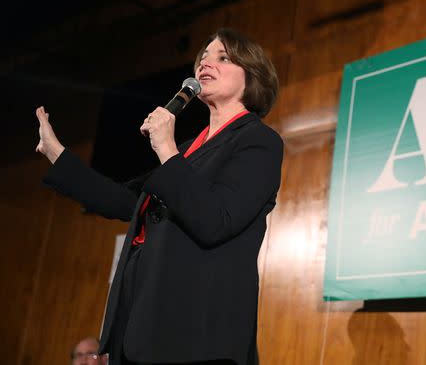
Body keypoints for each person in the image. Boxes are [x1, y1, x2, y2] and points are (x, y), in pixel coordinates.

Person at [37, 28, 283, 365]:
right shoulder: (187, 150)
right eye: (204, 57)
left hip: (196, 339)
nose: (206, 63)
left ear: (252, 78)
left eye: (223, 57)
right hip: (143, 327)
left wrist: (166, 148)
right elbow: (126, 203)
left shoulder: (259, 143)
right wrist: (57, 155)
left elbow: (216, 220)